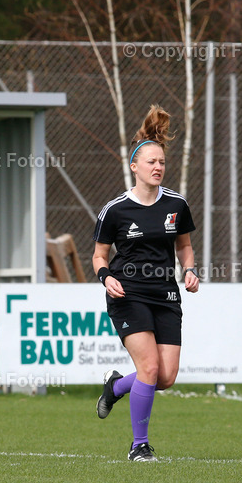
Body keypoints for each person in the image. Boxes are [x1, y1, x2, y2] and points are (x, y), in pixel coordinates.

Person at [92, 105, 199, 462]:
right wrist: (106, 277)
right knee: (149, 369)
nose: (158, 167)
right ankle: (139, 445)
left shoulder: (177, 204)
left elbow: (184, 247)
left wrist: (189, 269)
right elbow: (99, 256)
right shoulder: (115, 209)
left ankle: (116, 386)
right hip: (128, 294)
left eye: (162, 162)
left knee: (164, 377)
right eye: (151, 162)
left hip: (166, 295)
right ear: (134, 167)